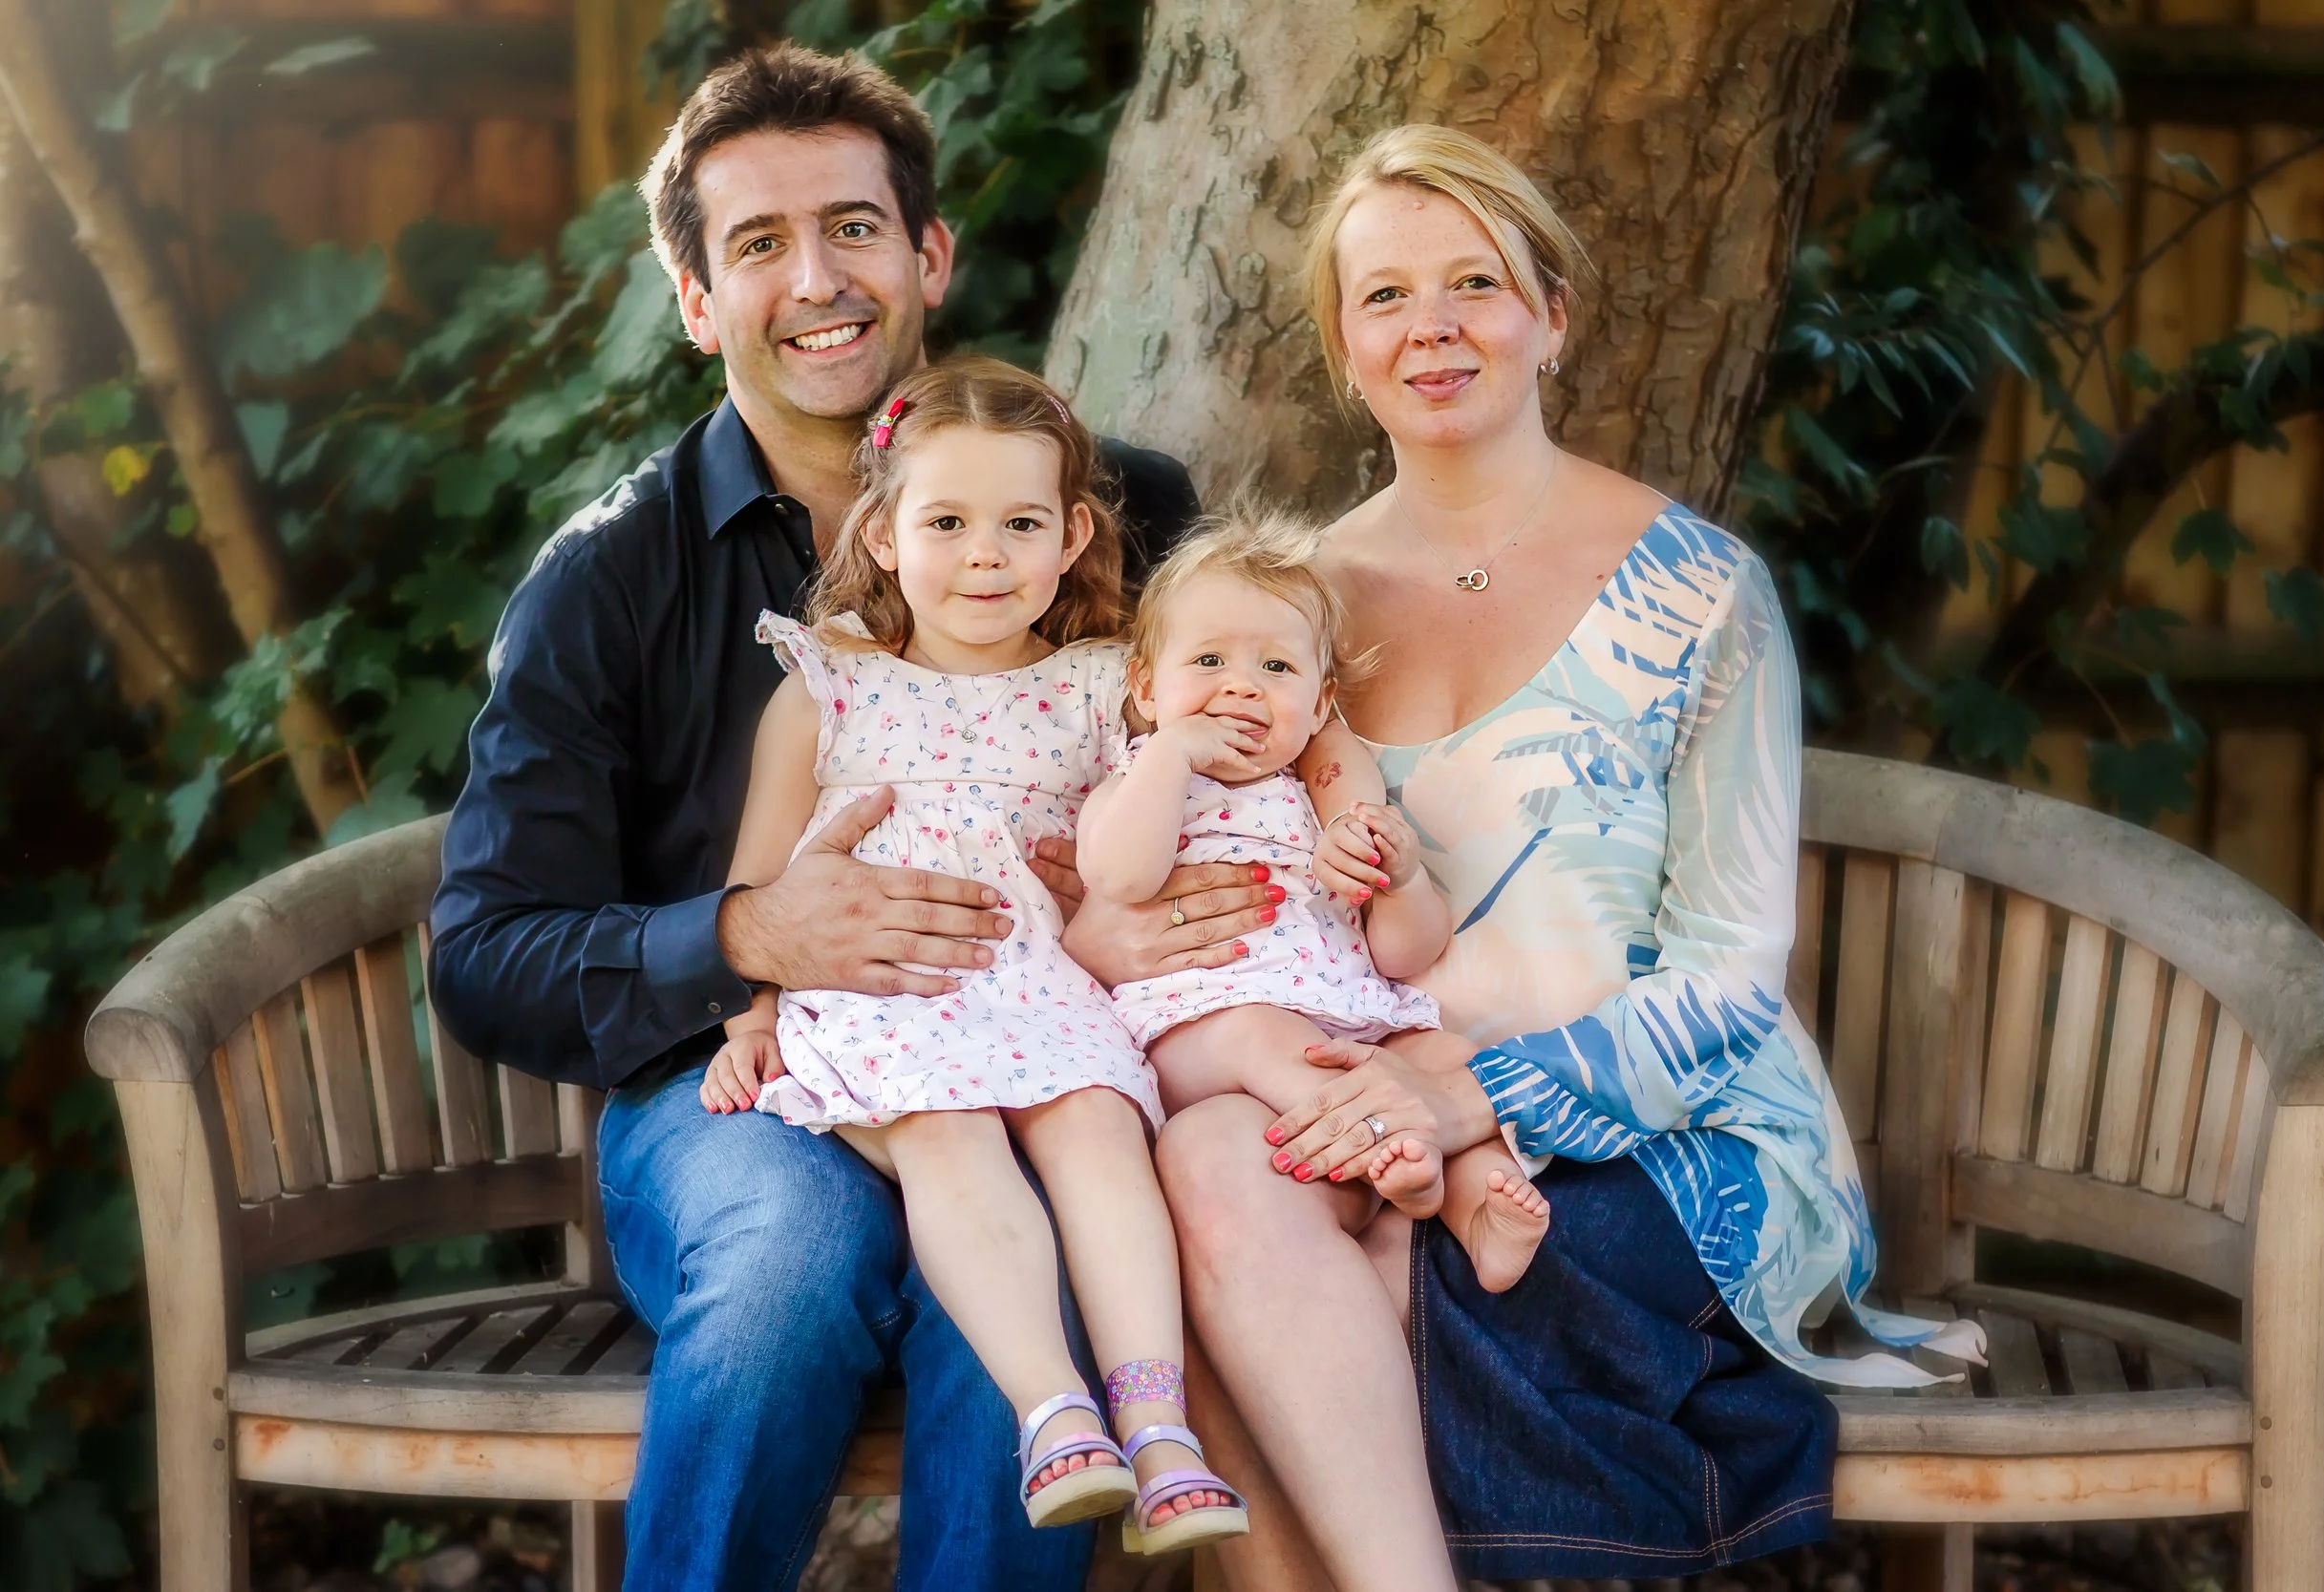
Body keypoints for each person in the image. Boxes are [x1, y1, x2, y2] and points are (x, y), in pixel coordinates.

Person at [429, 44, 1264, 1591]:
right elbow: (486, 952)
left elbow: (1248, 749)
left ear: (929, 255)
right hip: (739, 1085)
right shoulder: (609, 580)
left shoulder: (1125, 511)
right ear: (696, 302)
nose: (817, 278)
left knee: (1052, 1274)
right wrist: (747, 931)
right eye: (758, 244)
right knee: (786, 1266)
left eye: (854, 227)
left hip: (1041, 1044)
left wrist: (1172, 900)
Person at [1140, 125, 1985, 1590]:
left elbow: (1728, 981)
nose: (1435, 326)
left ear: (1553, 315)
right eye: (1386, 296)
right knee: (1207, 1159)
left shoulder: (1697, 590)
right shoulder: (1290, 617)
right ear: (1344, 346)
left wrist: (1468, 1090)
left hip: (1668, 1123)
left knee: (1375, 1260)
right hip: (1360, 1095)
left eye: (1476, 282)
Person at [697, 356, 1247, 1557]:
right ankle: (1054, 1410)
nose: (985, 554)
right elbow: (764, 881)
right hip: (884, 985)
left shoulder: (1107, 689)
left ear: (1072, 537)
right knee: (949, 1129)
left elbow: (1160, 832)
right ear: (883, 533)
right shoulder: (829, 685)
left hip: (1044, 981)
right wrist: (754, 1017)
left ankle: (1156, 1424)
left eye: (1019, 523)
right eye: (947, 522)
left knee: (1097, 1121)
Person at [1076, 507, 1550, 1292]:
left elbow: (1404, 954)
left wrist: (1399, 880)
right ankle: (1384, 1146)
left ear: (1322, 702)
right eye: (1209, 660)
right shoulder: (1137, 782)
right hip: (1199, 1027)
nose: (1241, 686)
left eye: (1276, 668)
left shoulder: (1317, 802)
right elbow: (1120, 876)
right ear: (1145, 686)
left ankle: (1471, 1208)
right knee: (1257, 1034)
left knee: (1448, 1055)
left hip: (1341, 1017)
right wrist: (1172, 752)